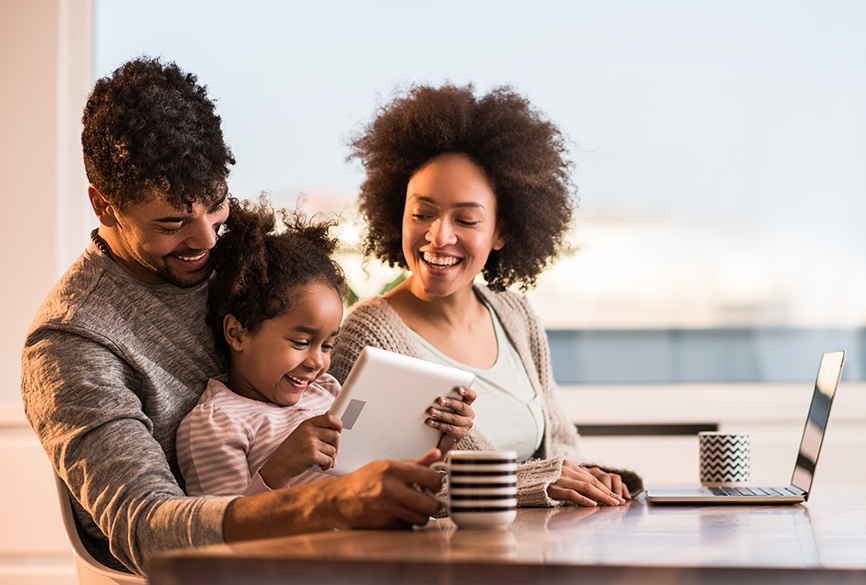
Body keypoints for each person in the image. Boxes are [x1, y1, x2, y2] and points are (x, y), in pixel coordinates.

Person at [20, 57, 444, 576]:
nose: (205, 241)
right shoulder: (73, 343)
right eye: (173, 223)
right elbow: (149, 528)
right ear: (103, 206)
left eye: (215, 205)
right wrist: (328, 504)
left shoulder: (242, 259)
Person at [329, 84, 644, 508]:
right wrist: (534, 482)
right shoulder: (369, 335)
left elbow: (561, 448)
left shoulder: (515, 315)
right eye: (421, 213)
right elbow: (370, 484)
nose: (439, 236)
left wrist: (589, 477)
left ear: (501, 232)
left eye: (467, 219)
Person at [176, 197, 476, 496]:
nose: (317, 362)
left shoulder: (329, 393)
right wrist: (279, 468)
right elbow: (219, 530)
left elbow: (394, 483)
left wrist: (436, 446)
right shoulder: (217, 424)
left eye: (327, 346)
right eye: (301, 342)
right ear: (237, 333)